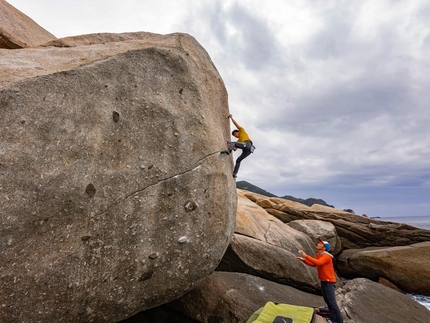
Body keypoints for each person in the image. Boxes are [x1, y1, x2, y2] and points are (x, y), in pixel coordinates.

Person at [296, 239, 343, 323]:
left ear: (324, 248)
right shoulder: (319, 254)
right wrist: (304, 260)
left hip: (329, 281)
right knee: (327, 300)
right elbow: (314, 264)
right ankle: (332, 318)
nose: (318, 244)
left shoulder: (326, 256)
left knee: (332, 302)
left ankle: (339, 320)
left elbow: (319, 263)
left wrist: (306, 255)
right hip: (324, 280)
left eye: (321, 244)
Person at [220, 114, 253, 178]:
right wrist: (230, 143)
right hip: (247, 151)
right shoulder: (239, 141)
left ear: (238, 131)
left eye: (235, 134)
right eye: (234, 136)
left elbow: (236, 124)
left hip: (248, 144)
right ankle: (235, 173)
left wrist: (231, 118)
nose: (235, 136)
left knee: (234, 143)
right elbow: (235, 149)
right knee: (238, 160)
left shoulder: (242, 131)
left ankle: (228, 151)